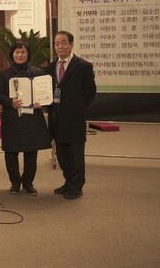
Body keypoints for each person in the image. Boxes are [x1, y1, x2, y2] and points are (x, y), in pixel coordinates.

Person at [0, 41, 51, 195]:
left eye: (23, 52)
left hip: (32, 118)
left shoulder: (38, 72)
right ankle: (14, 182)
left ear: (28, 54)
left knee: (31, 152)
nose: (20, 55)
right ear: (12, 54)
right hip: (12, 118)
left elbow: (46, 93)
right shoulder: (4, 74)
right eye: (17, 52)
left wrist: (43, 103)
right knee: (11, 152)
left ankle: (28, 183)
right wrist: (9, 102)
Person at [46, 31, 96, 199]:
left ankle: (77, 186)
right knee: (62, 154)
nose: (60, 46)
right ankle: (68, 183)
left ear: (72, 44)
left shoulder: (83, 66)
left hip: (74, 118)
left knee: (76, 155)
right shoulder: (51, 67)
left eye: (63, 42)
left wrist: (77, 108)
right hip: (56, 118)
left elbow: (90, 92)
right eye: (57, 43)